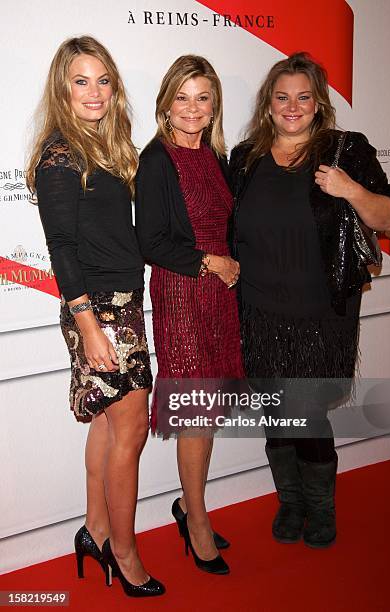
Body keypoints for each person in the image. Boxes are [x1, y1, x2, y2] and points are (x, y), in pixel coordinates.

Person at [230, 52, 390, 548]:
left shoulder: (346, 151)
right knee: (275, 414)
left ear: (318, 102)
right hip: (258, 312)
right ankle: (291, 502)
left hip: (320, 315)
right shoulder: (245, 158)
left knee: (306, 412)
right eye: (282, 97)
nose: (292, 106)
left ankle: (320, 510)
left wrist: (348, 189)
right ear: (268, 104)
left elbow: (387, 219)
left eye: (303, 97)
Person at [26, 36, 164, 597]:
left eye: (103, 79)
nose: (94, 91)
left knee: (109, 425)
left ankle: (96, 529)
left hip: (122, 303)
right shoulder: (61, 154)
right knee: (129, 432)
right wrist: (89, 327)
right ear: (63, 87)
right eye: (81, 80)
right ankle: (124, 552)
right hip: (99, 311)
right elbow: (61, 247)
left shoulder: (106, 147)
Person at [135, 55, 244, 574]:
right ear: (166, 103)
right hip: (182, 293)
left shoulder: (217, 157)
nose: (192, 108)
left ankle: (189, 505)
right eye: (182, 97)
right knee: (196, 412)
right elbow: (151, 241)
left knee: (210, 408)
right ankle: (196, 519)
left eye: (202, 97)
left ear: (214, 104)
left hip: (219, 296)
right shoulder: (157, 158)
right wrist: (212, 262)